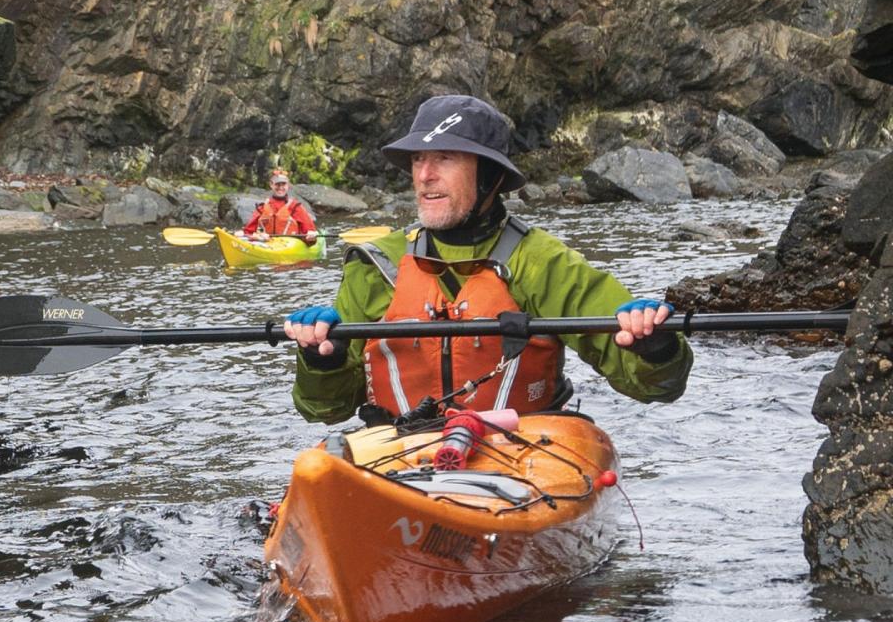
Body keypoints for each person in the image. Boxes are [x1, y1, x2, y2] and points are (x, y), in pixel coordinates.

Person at [283, 94, 692, 425]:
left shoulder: (543, 264)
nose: (425, 175)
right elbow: (324, 410)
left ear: (490, 177)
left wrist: (656, 348)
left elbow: (657, 387)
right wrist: (325, 359)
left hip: (518, 454)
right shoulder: (376, 265)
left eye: (445, 158)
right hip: (399, 456)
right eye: (418, 160)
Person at [243, 168, 319, 244]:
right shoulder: (262, 207)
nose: (280, 187)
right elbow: (248, 232)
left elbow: (310, 232)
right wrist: (254, 236)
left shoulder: (295, 207)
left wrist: (311, 236)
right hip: (266, 243)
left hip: (290, 247)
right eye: (277, 184)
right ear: (271, 185)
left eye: (283, 184)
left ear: (288, 185)